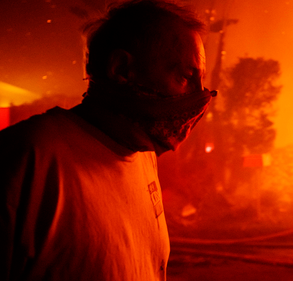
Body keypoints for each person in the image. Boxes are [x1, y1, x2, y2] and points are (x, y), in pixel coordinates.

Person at [0, 1, 216, 280]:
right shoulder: (28, 159)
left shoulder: (142, 155)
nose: (201, 97)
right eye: (185, 76)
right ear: (121, 69)